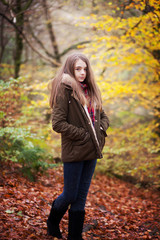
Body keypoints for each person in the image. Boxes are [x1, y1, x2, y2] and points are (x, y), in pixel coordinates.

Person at [47, 52, 109, 240]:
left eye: (84, 68)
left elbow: (104, 117)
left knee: (81, 197)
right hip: (75, 150)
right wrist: (83, 135)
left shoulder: (91, 90)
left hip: (92, 151)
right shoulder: (64, 90)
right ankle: (52, 222)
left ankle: (75, 237)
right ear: (70, 69)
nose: (82, 72)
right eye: (78, 69)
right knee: (70, 195)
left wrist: (100, 129)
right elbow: (57, 124)